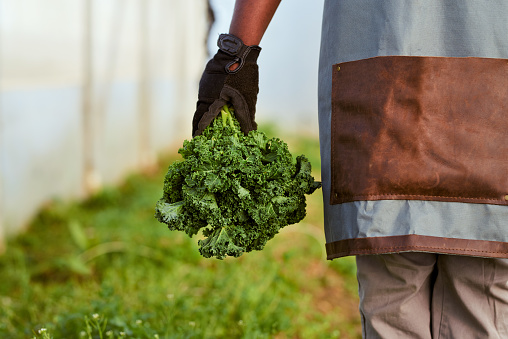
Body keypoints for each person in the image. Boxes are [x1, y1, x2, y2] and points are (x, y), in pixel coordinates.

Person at [192, 1, 508, 337]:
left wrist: (236, 53)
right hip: (489, 81)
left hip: (379, 82)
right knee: (479, 297)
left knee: (393, 297)